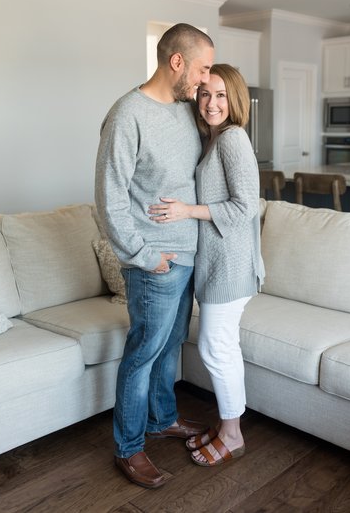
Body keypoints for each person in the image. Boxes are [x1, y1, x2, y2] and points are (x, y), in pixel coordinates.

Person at [95, 23, 215, 489]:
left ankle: (162, 418)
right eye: (203, 67)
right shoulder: (128, 114)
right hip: (155, 262)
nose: (206, 80)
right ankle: (128, 449)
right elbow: (110, 197)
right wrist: (145, 256)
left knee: (169, 347)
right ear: (177, 62)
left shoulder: (187, 112)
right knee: (142, 354)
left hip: (189, 255)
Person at [148, 63, 265, 467]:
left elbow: (246, 205)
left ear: (233, 99)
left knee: (217, 348)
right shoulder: (213, 139)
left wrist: (186, 211)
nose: (211, 103)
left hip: (231, 264)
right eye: (205, 94)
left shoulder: (232, 139)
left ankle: (233, 435)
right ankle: (226, 425)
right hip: (217, 262)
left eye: (220, 95)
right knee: (220, 346)